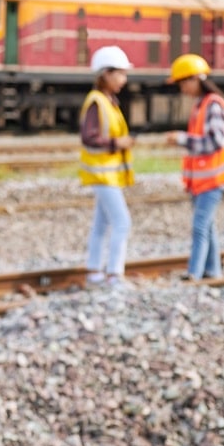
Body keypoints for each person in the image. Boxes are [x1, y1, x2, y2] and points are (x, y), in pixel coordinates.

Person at [165, 53, 224, 281]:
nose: (182, 89)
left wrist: (182, 138)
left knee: (200, 227)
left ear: (194, 80)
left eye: (182, 83)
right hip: (203, 180)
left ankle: (195, 273)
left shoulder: (213, 105)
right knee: (208, 227)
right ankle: (213, 272)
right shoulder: (202, 105)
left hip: (215, 179)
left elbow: (215, 142)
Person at [78, 46, 136, 288]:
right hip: (102, 176)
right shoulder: (97, 102)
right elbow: (89, 137)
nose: (124, 79)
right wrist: (117, 142)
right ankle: (114, 274)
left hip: (107, 175)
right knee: (122, 222)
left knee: (101, 224)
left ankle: (94, 271)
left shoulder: (108, 101)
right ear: (106, 74)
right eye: (120, 74)